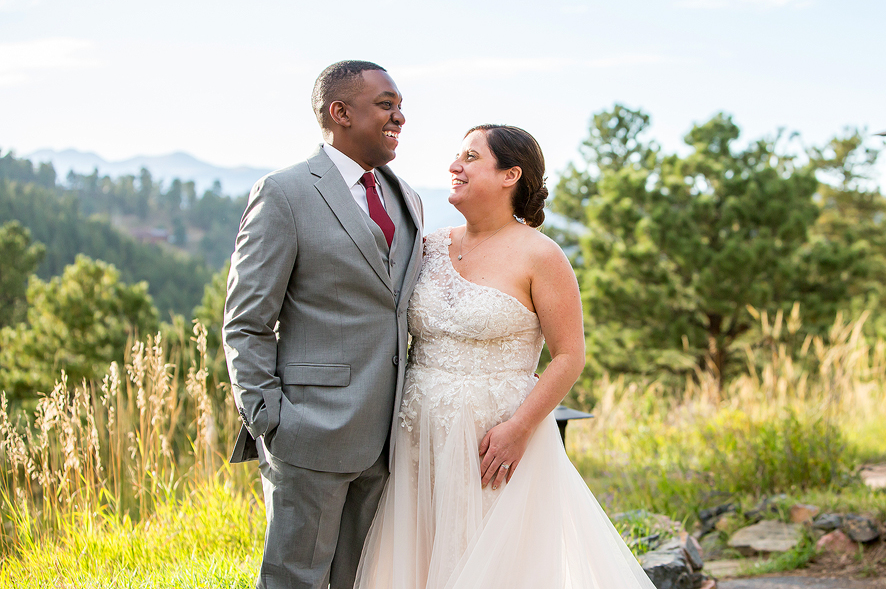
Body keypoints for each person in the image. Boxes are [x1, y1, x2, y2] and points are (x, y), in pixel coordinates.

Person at [353, 125, 655, 588]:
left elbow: (569, 356)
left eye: (470, 157)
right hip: (418, 435)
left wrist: (520, 429)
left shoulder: (542, 256)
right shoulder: (428, 246)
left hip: (495, 444)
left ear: (511, 174)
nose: (455, 166)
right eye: (457, 156)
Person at [223, 61, 424, 589]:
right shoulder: (284, 193)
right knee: (294, 580)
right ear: (340, 112)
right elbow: (246, 321)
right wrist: (268, 417)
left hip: (386, 437)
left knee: (362, 580)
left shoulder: (409, 198)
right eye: (386, 104)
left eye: (400, 105)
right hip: (307, 432)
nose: (400, 116)